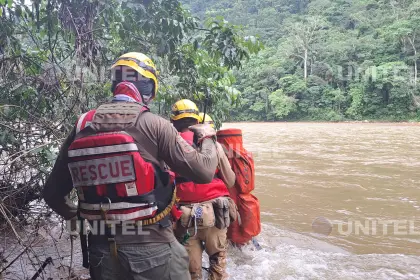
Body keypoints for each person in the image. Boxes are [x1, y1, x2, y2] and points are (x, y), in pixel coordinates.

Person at [43, 52, 221, 280]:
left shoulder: (82, 125)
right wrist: (207, 137)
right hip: (153, 249)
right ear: (149, 89)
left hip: (101, 252)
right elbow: (205, 171)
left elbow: (52, 194)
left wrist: (84, 222)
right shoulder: (156, 125)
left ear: (114, 85)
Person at [170, 99, 236, 280]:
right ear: (197, 120)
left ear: (173, 122)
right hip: (216, 212)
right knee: (218, 262)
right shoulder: (213, 144)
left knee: (192, 271)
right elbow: (230, 181)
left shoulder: (168, 145)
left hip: (185, 217)